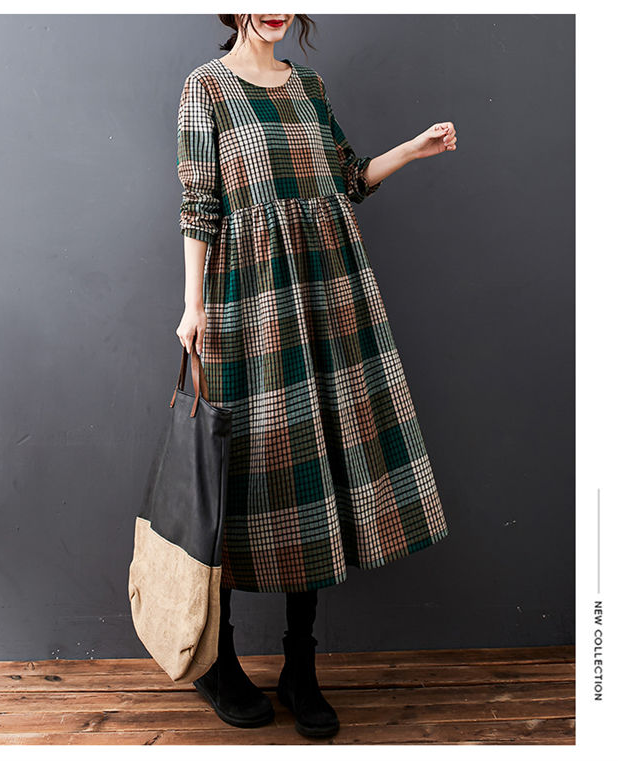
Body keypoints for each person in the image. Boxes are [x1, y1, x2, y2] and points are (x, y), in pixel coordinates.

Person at [175, 14, 456, 739]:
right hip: (250, 297)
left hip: (328, 290)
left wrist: (413, 150)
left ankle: (300, 665)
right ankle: (216, 659)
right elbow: (199, 203)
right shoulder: (206, 88)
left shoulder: (309, 87)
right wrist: (193, 305)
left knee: (317, 464)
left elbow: (348, 178)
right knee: (240, 471)